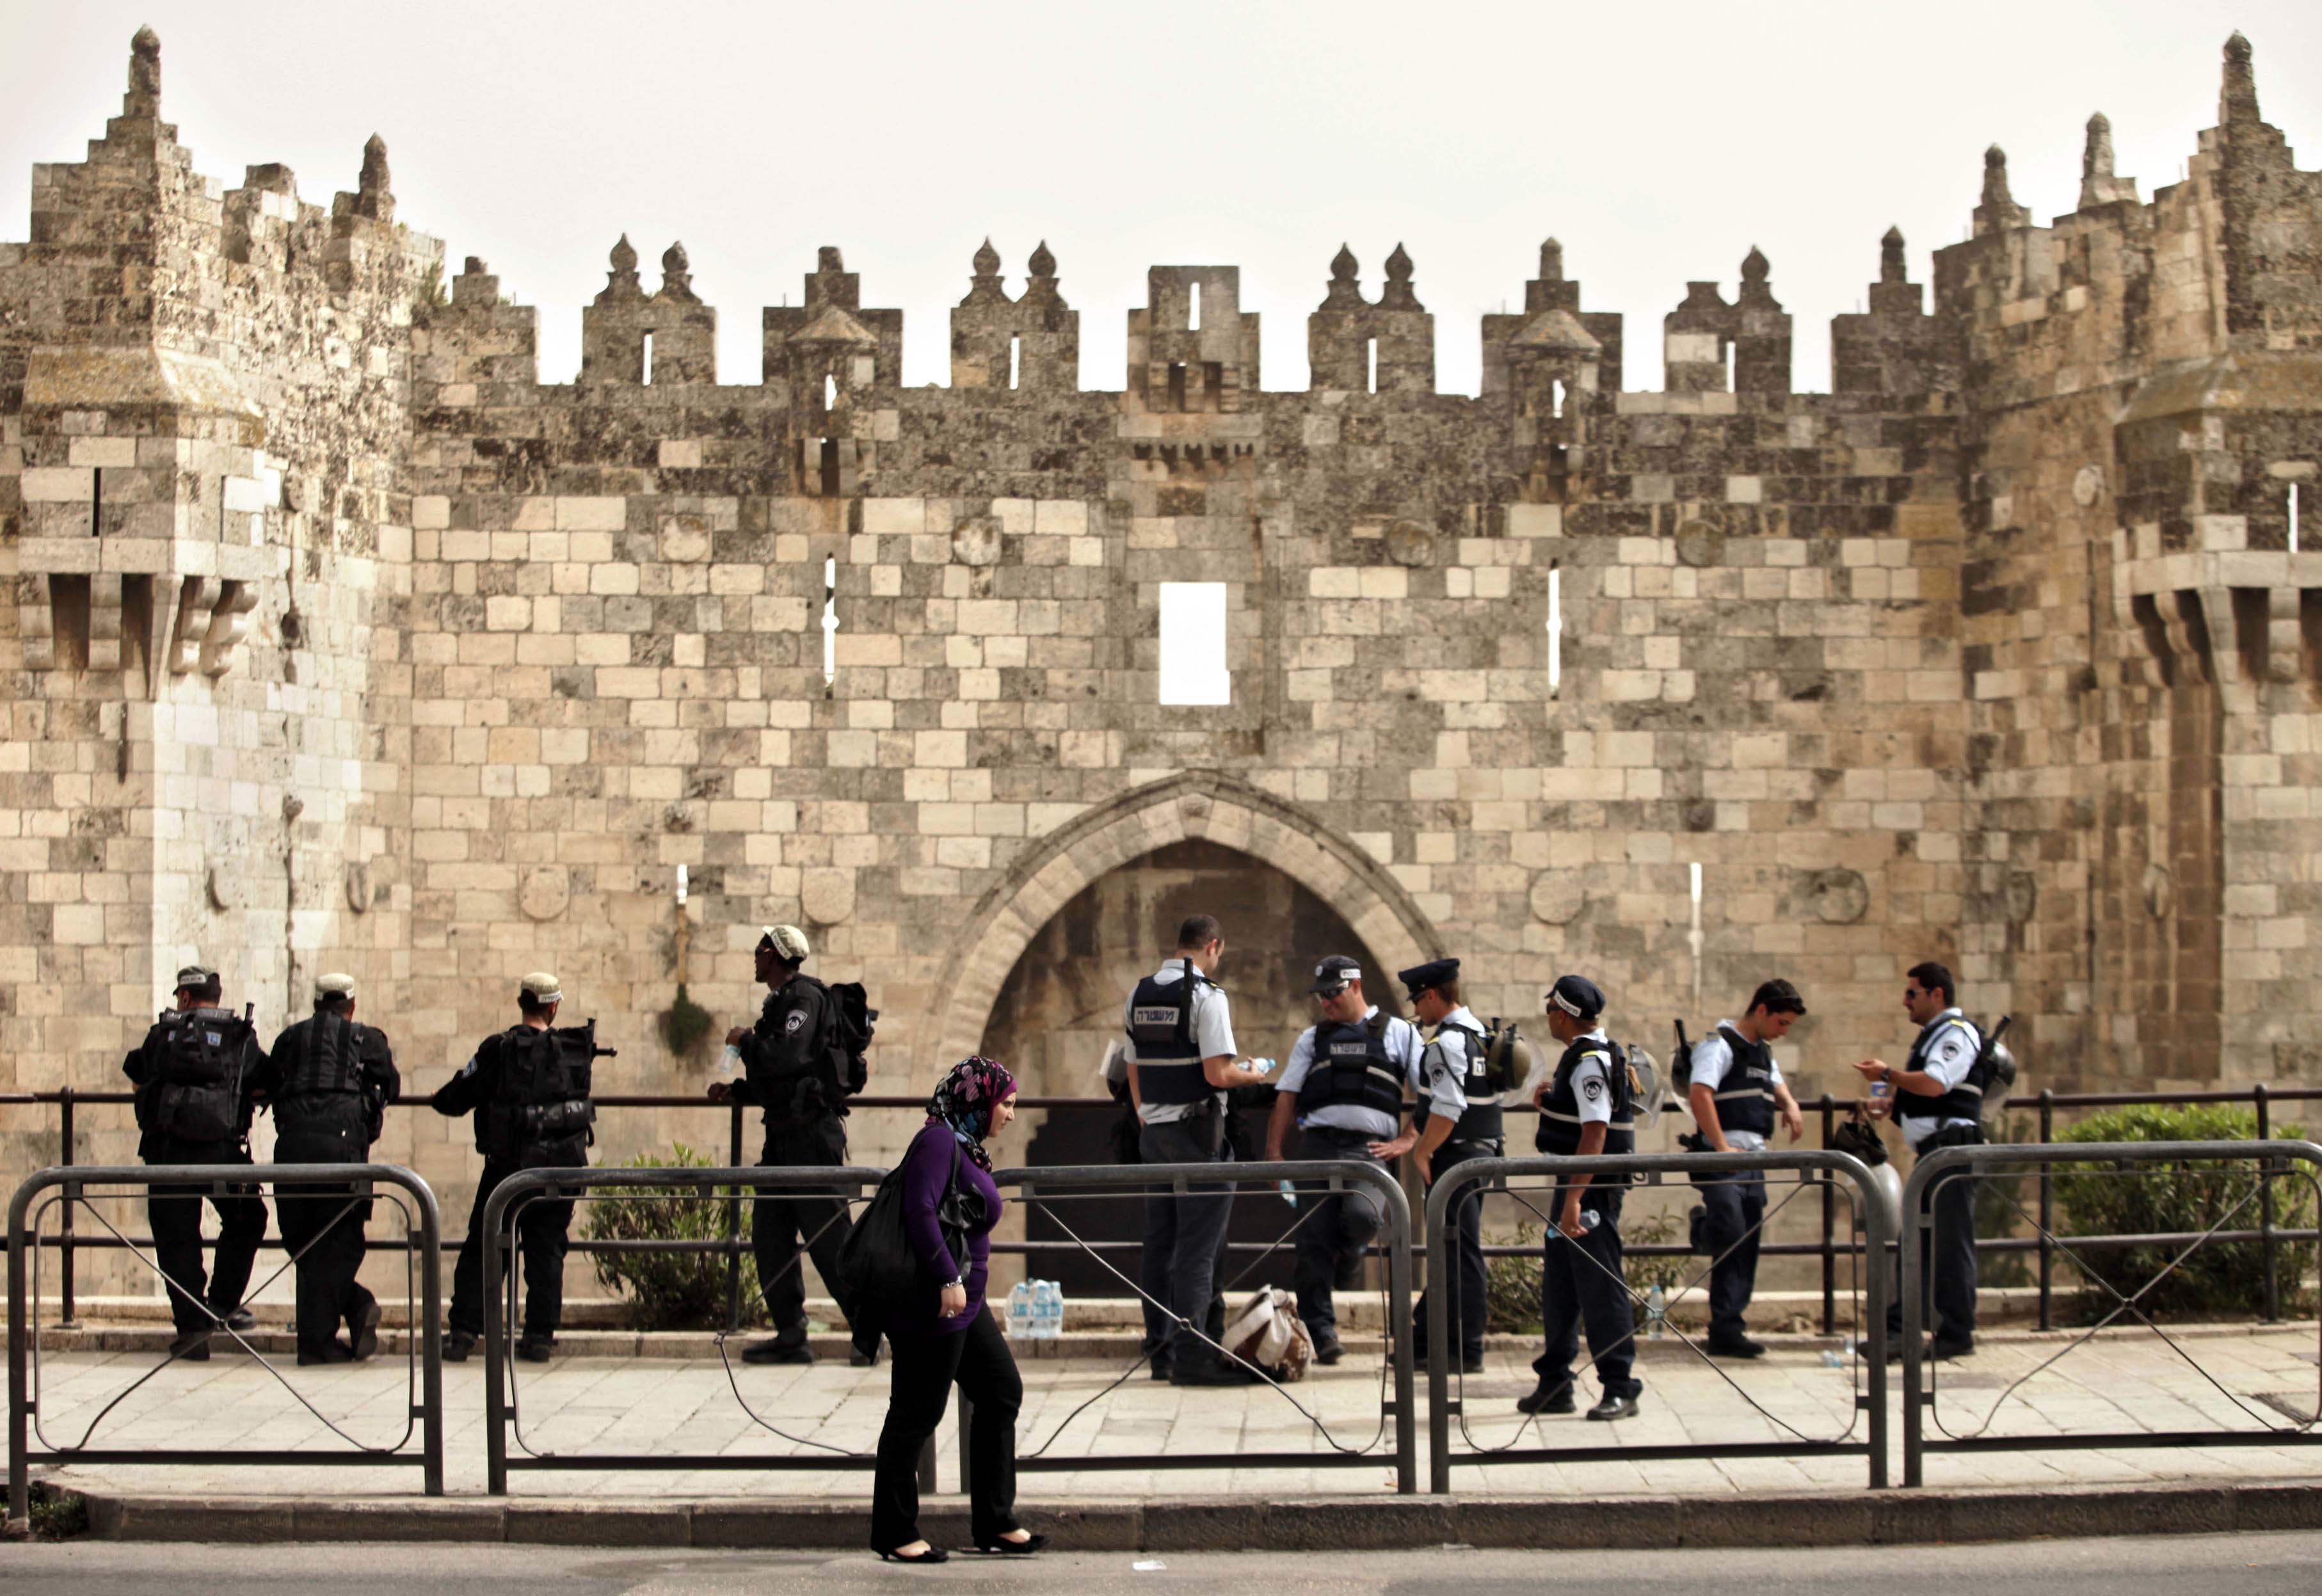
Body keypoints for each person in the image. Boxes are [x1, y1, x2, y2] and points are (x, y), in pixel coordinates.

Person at [870, 1056, 1044, 1565]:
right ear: (978, 1101)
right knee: (916, 1412)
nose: (1010, 1114)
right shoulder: (938, 1141)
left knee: (1000, 1391)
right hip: (936, 1303)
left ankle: (995, 1520)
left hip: (966, 1305)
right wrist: (948, 1277)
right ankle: (895, 1531)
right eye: (1006, 1104)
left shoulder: (963, 1144)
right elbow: (919, 1211)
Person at [708, 924, 879, 1367]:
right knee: (769, 1235)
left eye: (760, 949)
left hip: (812, 1138)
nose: (754, 956)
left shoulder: (804, 998)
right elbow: (779, 1080)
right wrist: (739, 1093)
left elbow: (791, 1057)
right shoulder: (781, 1002)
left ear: (775, 954)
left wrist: (744, 1040)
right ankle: (790, 1333)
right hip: (783, 1137)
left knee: (830, 1238)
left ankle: (869, 1332)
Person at [1122, 913, 1266, 1385]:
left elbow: (1133, 1068)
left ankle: (1160, 1350)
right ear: (1213, 947)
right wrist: (1255, 1073)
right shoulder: (1208, 996)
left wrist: (1146, 1115)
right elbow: (1217, 1075)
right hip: (1197, 1136)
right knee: (1198, 1251)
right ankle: (1192, 1354)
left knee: (1159, 1244)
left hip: (1154, 1136)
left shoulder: (1139, 992)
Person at [1264, 955, 1425, 1366]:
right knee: (1313, 1242)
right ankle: (1323, 1332)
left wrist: (1410, 1138)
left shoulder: (1399, 1033)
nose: (1326, 1004)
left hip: (1369, 1149)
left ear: (1355, 987)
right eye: (1321, 996)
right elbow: (1287, 1095)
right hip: (1318, 1147)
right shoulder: (1312, 1038)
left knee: (1364, 1216)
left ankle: (1351, 1256)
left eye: (1333, 994)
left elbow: (1432, 1091)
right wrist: (1275, 1154)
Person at [433, 971, 601, 1363]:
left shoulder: (498, 1049)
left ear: (521, 1002)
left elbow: (458, 1096)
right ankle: (539, 1337)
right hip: (560, 1170)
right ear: (554, 1006)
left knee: (485, 1247)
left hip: (508, 1169)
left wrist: (441, 1096)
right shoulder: (574, 1050)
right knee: (546, 1253)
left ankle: (463, 1334)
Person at [252, 973, 401, 1365]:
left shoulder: (289, 1040)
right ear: (351, 1006)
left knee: (303, 1241)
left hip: (293, 1151)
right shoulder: (366, 1038)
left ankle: (329, 1327)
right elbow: (393, 1086)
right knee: (342, 1242)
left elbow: (265, 1083)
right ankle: (336, 1323)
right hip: (343, 1151)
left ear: (316, 1005)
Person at [122, 962, 269, 1361]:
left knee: (176, 1239)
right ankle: (220, 1305)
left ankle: (192, 1329)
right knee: (248, 1218)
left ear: (184, 998)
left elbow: (135, 1073)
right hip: (223, 1154)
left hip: (168, 1155)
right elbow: (265, 1079)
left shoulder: (163, 1035)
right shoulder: (240, 1036)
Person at [1518, 974, 1644, 1421]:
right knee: (1562, 1287)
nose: (1548, 1016)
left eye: (1552, 1009)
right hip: (1576, 1185)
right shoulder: (1583, 1058)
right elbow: (1580, 1118)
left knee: (1599, 1285)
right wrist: (1551, 1101)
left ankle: (1620, 1385)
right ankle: (1555, 1383)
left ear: (1564, 1014)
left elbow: (1595, 1133)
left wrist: (1575, 1198)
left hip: (1589, 1190)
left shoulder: (1590, 1061)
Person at [1854, 961, 1983, 1361]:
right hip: (1935, 1154)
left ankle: (1956, 1334)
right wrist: (1893, 1106)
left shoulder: (1956, 1035)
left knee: (1949, 1244)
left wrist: (1889, 1074)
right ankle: (1902, 1331)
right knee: (1917, 1242)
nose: (1904, 1001)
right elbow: (1932, 1095)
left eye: (1913, 993)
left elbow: (1936, 1083)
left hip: (1952, 1153)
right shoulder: (1934, 1036)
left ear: (1937, 995)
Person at [1684, 978, 1809, 1359]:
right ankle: (1701, 1228)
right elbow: (1700, 1093)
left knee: (1746, 1243)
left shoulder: (1761, 1052)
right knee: (1730, 1227)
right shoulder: (1718, 1046)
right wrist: (1721, 1146)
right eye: (1781, 1023)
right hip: (1724, 1158)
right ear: (1761, 1011)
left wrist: (1789, 1104)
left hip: (1754, 1158)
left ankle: (1727, 1327)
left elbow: (1775, 1082)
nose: (1784, 1031)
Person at [1402, 959, 1500, 1375]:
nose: (1417, 1013)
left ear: (1432, 996)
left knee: (1460, 1252)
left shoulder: (1445, 1043)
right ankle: (1426, 1339)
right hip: (1481, 1153)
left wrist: (1422, 1151)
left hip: (1455, 1155)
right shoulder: (1482, 1034)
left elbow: (1448, 1106)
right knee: (1452, 1249)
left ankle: (1466, 1347)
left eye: (1418, 1002)